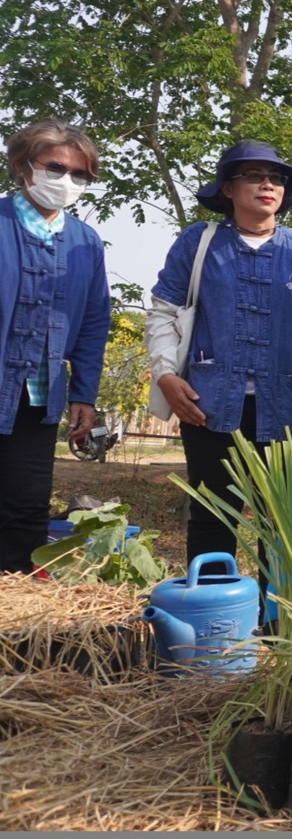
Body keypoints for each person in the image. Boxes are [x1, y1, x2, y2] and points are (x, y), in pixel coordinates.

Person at [145, 141, 292, 575]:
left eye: (276, 178)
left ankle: (277, 613)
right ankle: (212, 611)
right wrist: (165, 375)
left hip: (289, 409)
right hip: (208, 406)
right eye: (254, 175)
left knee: (283, 523)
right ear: (228, 189)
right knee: (212, 516)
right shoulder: (200, 242)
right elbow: (163, 311)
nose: (268, 185)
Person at [0, 118, 111, 573]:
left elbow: (93, 323)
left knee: (26, 506)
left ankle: (15, 601)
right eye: (56, 168)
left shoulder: (85, 241)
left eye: (79, 173)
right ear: (23, 165)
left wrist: (84, 392)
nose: (67, 180)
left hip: (37, 394)